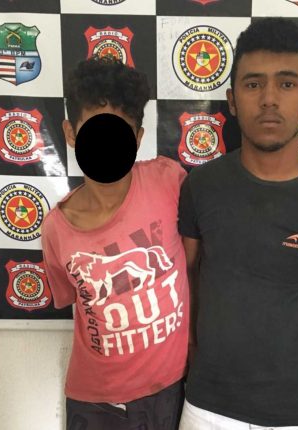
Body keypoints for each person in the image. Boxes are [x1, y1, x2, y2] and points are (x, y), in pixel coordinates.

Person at [177, 18, 298, 429]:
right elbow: (189, 278)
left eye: (286, 83)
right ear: (232, 100)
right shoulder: (200, 186)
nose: (268, 99)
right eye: (253, 84)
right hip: (208, 407)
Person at [40, 57, 189, 430]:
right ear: (71, 133)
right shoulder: (57, 229)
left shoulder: (168, 181)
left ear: (137, 138)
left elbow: (194, 259)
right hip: (97, 403)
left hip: (172, 389)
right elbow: (71, 300)